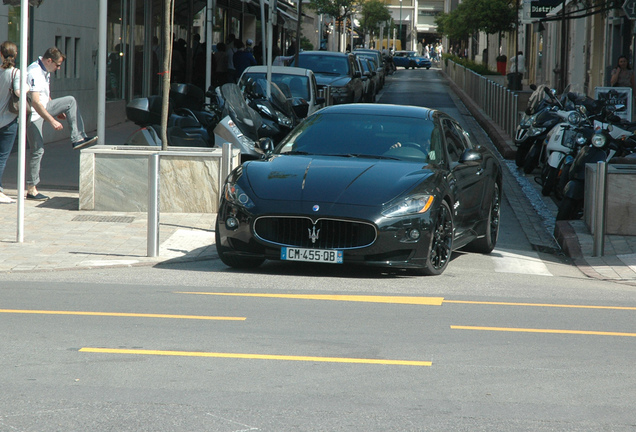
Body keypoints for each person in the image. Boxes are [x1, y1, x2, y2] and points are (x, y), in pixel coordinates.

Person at [26, 47, 97, 201]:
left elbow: (46, 96)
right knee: (37, 150)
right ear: (49, 60)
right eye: (57, 65)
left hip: (43, 108)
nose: (58, 69)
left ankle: (78, 137)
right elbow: (36, 103)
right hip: (33, 114)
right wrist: (52, 120)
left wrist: (56, 111)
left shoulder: (45, 71)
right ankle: (32, 189)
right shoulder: (34, 72)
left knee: (69, 102)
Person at [0, 41, 20, 204]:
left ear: (1, 54)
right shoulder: (15, 73)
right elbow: (19, 91)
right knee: (2, 157)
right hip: (8, 120)